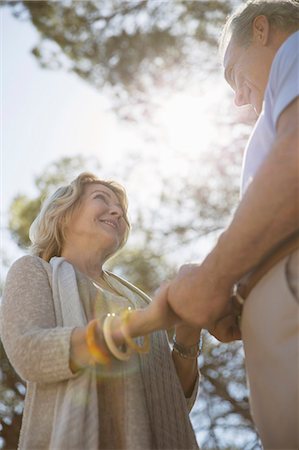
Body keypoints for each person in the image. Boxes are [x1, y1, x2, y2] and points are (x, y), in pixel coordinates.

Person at [158, 1, 299, 448]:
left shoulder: (293, 50)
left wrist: (212, 281)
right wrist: (237, 294)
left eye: (234, 73)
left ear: (261, 30)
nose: (238, 97)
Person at [0, 172, 201, 450]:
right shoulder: (35, 271)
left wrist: (188, 333)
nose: (118, 211)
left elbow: (173, 403)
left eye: (121, 208)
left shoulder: (139, 300)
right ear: (63, 214)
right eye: (101, 198)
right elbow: (30, 352)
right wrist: (137, 325)